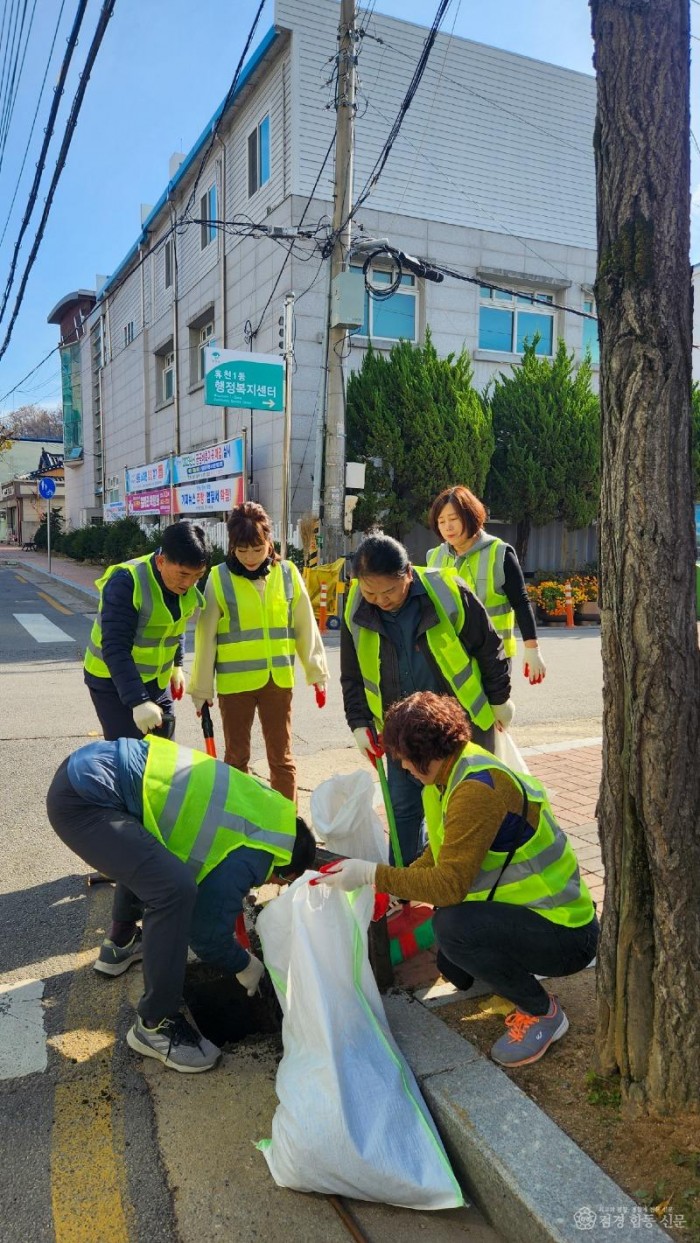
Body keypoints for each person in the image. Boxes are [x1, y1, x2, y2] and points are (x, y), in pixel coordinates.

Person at [317, 691, 598, 1068]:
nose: (402, 768)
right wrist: (399, 885)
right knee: (455, 967)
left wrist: (371, 874)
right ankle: (508, 972)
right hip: (536, 915)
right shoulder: (453, 772)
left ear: (424, 753)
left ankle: (543, 1013)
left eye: (403, 759)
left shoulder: (475, 790)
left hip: (567, 934)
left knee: (452, 927)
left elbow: (450, 885)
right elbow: (440, 852)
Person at [46, 735, 316, 1073]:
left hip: (90, 770)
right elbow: (205, 933)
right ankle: (155, 1025)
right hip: (87, 803)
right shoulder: (258, 856)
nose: (271, 885)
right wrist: (244, 964)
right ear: (285, 870)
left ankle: (121, 942)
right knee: (174, 890)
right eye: (282, 881)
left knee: (157, 861)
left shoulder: (270, 809)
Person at [341, 533, 512, 866]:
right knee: (403, 808)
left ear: (408, 574)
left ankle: (471, 882)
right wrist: (359, 723)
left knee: (467, 805)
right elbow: (352, 674)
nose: (380, 600)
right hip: (400, 731)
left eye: (389, 590)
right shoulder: (356, 608)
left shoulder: (447, 591)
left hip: (458, 728)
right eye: (370, 591)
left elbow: (489, 647)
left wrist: (499, 699)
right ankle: (404, 886)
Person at [188, 501, 328, 803]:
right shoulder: (219, 577)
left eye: (257, 548)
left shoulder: (288, 573)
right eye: (242, 550)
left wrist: (316, 671)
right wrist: (200, 688)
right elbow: (206, 636)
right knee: (237, 760)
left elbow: (305, 625)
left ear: (269, 541)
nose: (250, 557)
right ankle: (241, 823)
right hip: (235, 686)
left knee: (282, 758)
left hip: (277, 682)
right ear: (232, 547)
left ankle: (284, 827)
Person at [84, 520, 210, 740]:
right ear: (161, 561)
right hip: (112, 682)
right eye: (183, 575)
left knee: (163, 755)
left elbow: (175, 625)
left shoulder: (186, 585)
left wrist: (177, 666)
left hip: (156, 682)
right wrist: (139, 701)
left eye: (197, 576)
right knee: (129, 756)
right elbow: (115, 647)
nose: (189, 584)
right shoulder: (126, 582)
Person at [426, 485, 546, 685]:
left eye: (453, 519)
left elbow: (521, 602)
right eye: (441, 521)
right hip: (449, 656)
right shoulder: (434, 557)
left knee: (494, 714)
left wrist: (532, 649)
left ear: (470, 516)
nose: (448, 527)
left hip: (494, 657)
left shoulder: (499, 554)